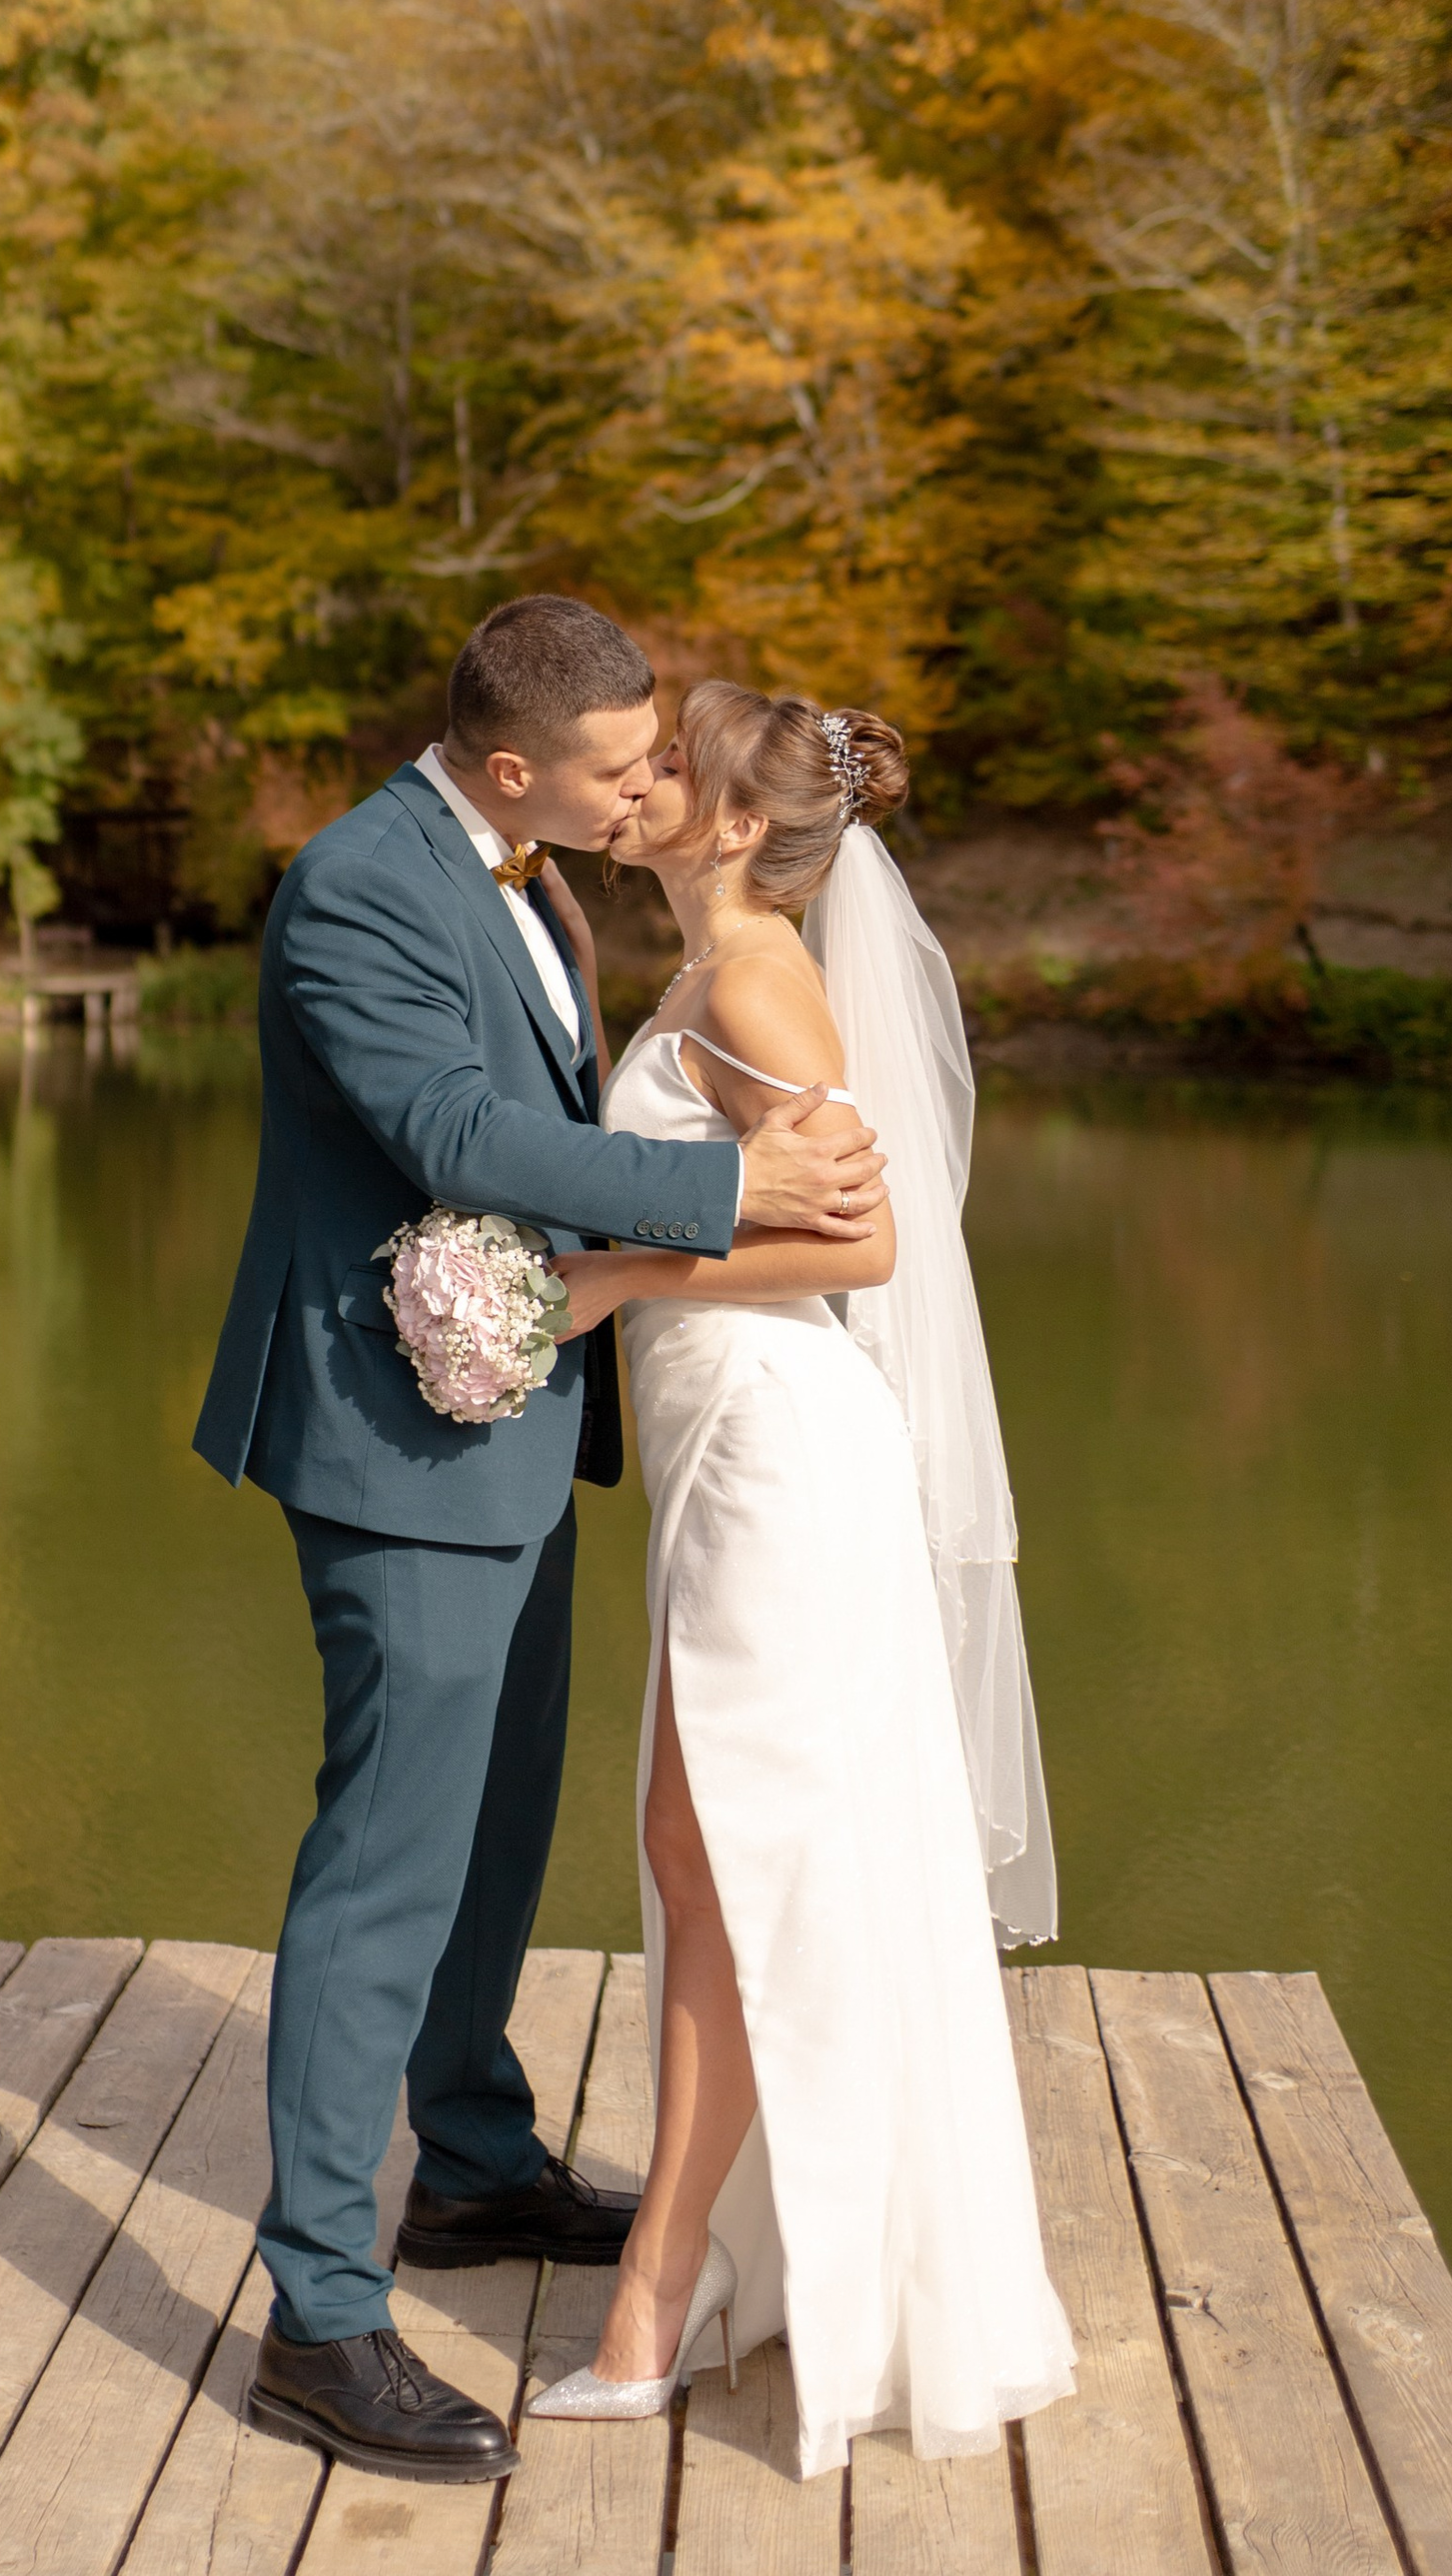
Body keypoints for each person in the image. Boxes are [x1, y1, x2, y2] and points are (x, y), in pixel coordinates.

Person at [193, 599, 889, 2487]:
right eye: (616, 768)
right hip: (395, 1437)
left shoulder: (541, 877)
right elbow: (448, 1127)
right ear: (512, 770)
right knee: (386, 1864)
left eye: (657, 753)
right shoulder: (359, 887)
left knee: (499, 1825)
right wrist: (733, 1186)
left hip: (513, 1421)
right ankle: (320, 2318)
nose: (647, 783)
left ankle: (473, 2167)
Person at [524, 681, 1075, 2474]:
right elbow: (757, 1196)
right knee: (699, 1866)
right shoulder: (699, 976)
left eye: (673, 763)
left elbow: (872, 1236)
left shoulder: (759, 976)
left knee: (728, 1867)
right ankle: (710, 2263)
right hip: (722, 1456)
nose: (645, 780)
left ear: (743, 826)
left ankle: (652, 2299)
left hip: (776, 1451)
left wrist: (615, 1283)